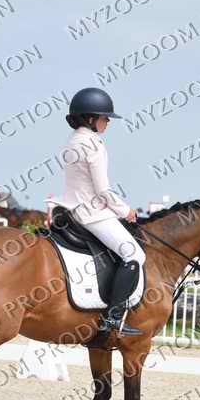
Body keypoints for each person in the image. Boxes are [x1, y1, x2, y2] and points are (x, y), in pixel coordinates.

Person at [45, 87, 144, 336]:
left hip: (69, 208)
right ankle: (113, 317)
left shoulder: (73, 140)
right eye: (104, 117)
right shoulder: (94, 144)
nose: (108, 121)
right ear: (91, 118)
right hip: (92, 213)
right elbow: (102, 190)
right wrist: (126, 211)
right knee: (134, 255)